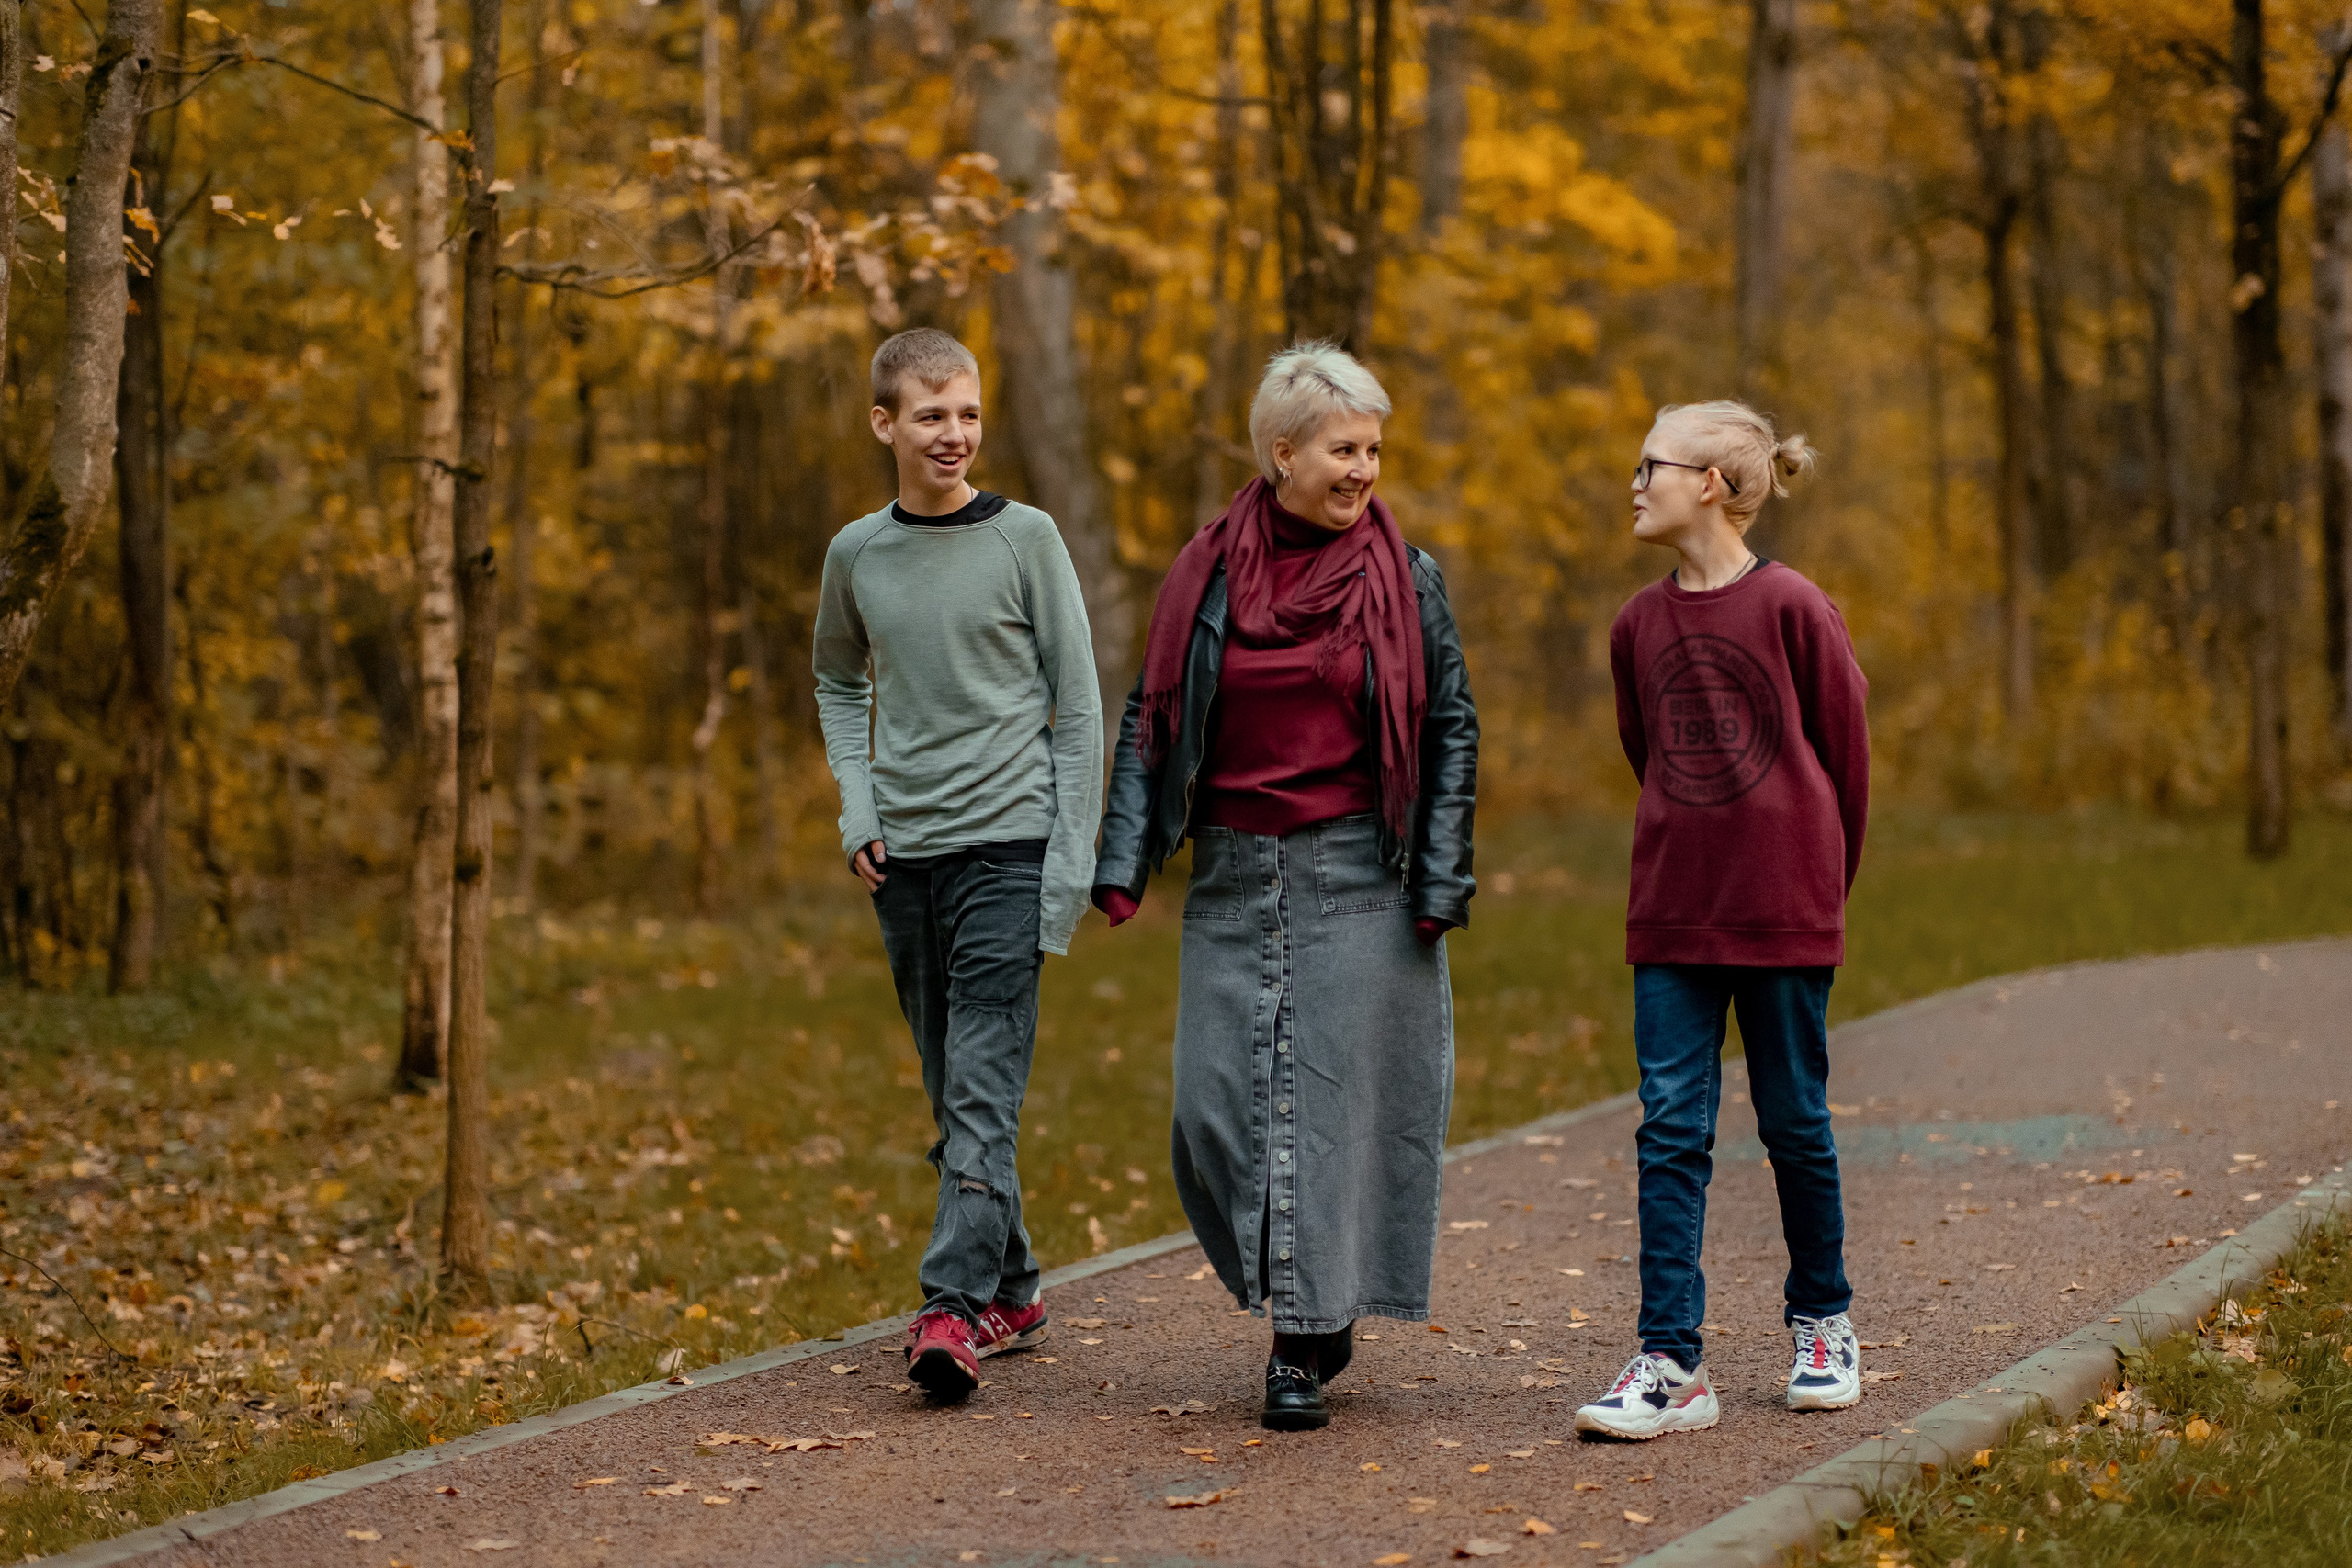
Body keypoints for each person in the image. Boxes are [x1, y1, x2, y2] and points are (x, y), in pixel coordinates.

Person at [1093, 342, 1479, 1433]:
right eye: (1343, 448)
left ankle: (1300, 1339)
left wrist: (1440, 876)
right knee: (1211, 1114)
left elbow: (1449, 726)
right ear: (1280, 453)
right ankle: (1316, 1295)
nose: (1364, 470)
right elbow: (1151, 714)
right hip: (1229, 869)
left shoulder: (1406, 577)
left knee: (1326, 1116)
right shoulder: (1207, 571)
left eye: (1373, 449)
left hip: (1360, 865)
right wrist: (1123, 859)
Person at [811, 327, 1102, 1401]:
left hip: (1009, 846)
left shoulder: (1026, 538)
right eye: (930, 415)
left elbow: (1077, 707)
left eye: (968, 413)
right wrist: (858, 808)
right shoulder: (857, 555)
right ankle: (1015, 1283)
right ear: (885, 423)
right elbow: (838, 686)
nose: (954, 433)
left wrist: (1067, 866)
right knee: (955, 1089)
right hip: (904, 860)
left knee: (979, 1084)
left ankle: (949, 1306)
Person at [1572, 400, 1869, 1440]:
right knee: (1671, 1133)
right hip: (1672, 917)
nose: (1633, 481)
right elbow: (1644, 753)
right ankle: (1670, 1361)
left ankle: (1823, 1324)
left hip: (1782, 914)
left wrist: (1814, 890)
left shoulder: (1793, 607)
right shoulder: (1634, 626)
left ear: (1709, 484)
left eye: (1648, 463)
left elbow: (1846, 761)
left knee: (1794, 1125)